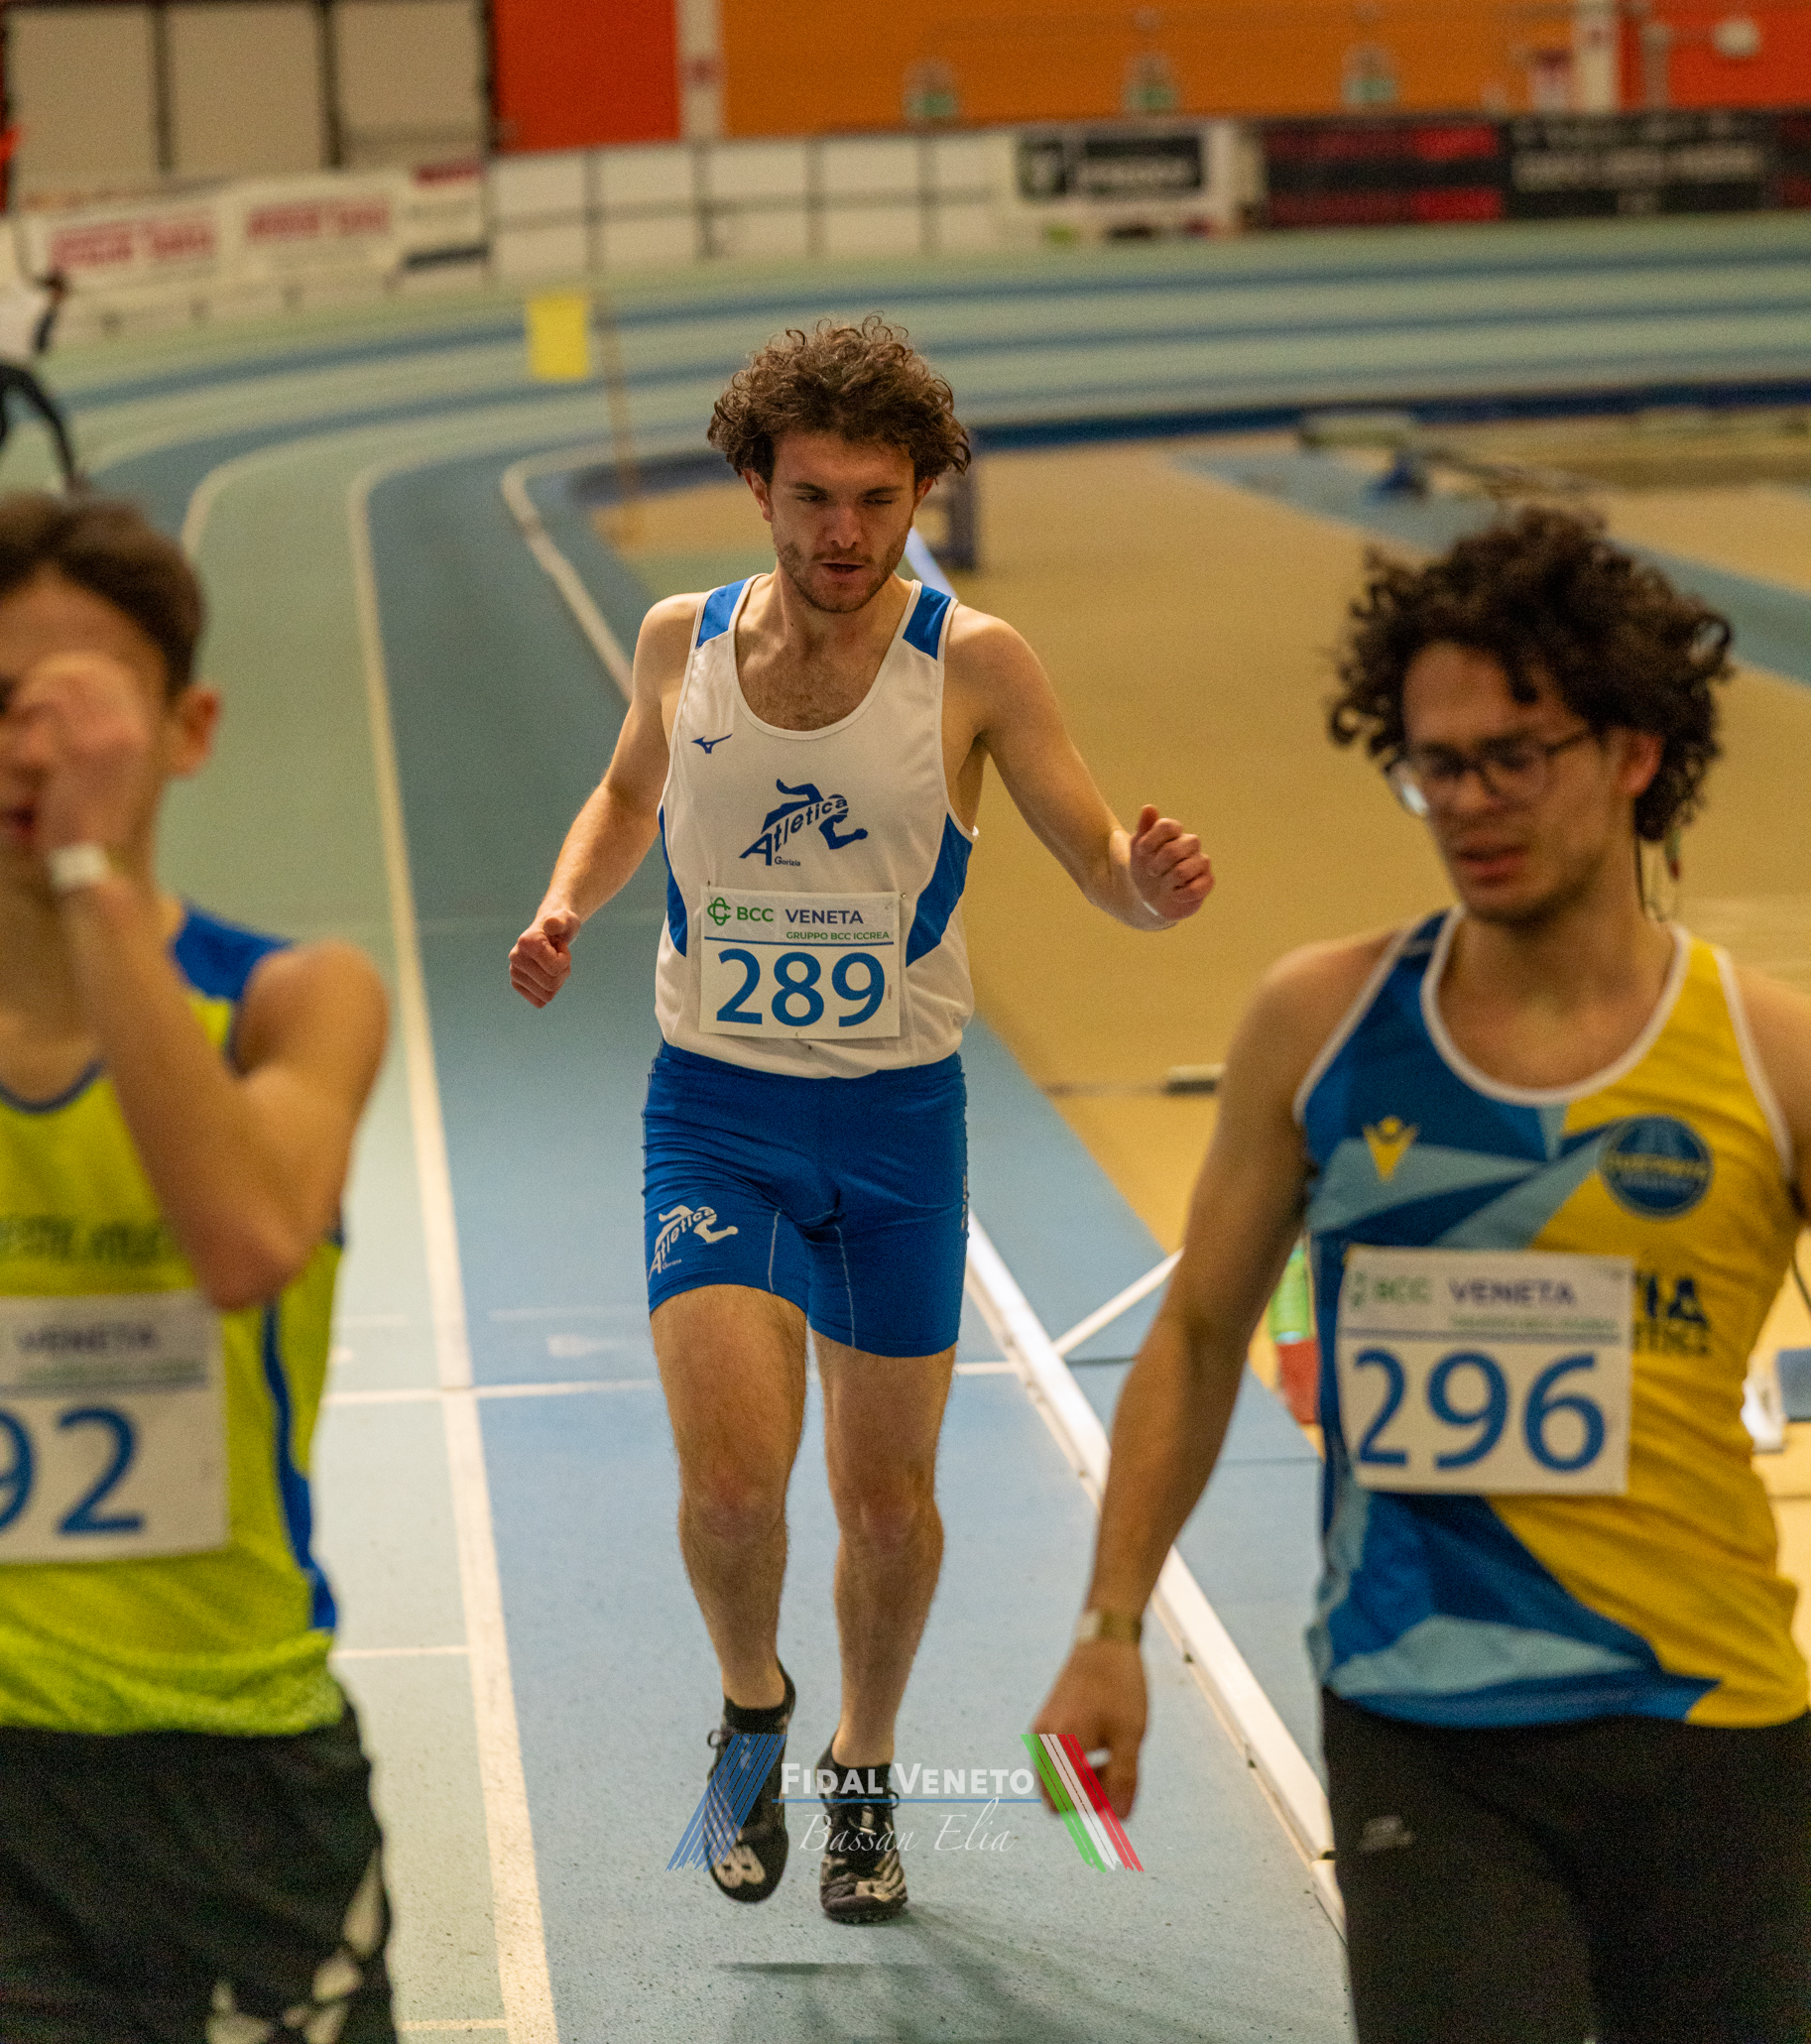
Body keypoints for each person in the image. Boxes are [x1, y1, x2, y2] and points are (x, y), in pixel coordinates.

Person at [1035, 507, 1811, 2044]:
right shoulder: (1320, 1021)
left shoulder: (1769, 1055)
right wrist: (1110, 1626)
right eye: (1432, 764)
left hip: (1709, 1718)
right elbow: (1197, 1332)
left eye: (1511, 756)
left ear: (1634, 751)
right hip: (1418, 1720)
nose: (1466, 801)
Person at [510, 317, 1213, 1927]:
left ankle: (865, 1761)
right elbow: (625, 793)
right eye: (814, 497)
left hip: (897, 1127)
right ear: (757, 487)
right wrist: (565, 903)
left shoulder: (976, 663)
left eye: (878, 501)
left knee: (885, 1502)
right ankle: (752, 1705)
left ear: (918, 495)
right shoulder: (679, 640)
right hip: (716, 1110)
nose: (845, 533)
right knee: (730, 1487)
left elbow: (1094, 855)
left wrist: (1149, 891)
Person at [0, 493, 393, 2041]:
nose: (33, 749)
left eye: (77, 705)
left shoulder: (298, 1001)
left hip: (241, 1779)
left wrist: (88, 872)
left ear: (186, 729)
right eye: (1, 706)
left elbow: (245, 1239)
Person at [0, 266, 77, 488]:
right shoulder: (47, 306)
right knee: (55, 421)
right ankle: (71, 478)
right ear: (57, 291)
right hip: (16, 367)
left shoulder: (17, 291)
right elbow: (41, 346)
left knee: (3, 428)